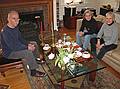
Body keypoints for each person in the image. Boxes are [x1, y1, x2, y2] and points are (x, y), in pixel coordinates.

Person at [1, 10, 46, 77]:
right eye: (14, 18)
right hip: (9, 52)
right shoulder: (5, 31)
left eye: (18, 19)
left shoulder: (15, 27)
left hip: (16, 47)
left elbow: (21, 39)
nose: (16, 21)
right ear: (8, 19)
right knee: (27, 52)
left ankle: (36, 59)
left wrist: (28, 44)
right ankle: (33, 71)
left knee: (34, 43)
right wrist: (27, 47)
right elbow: (13, 47)